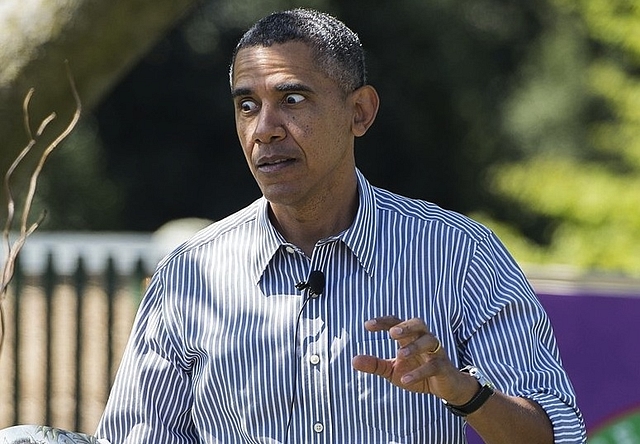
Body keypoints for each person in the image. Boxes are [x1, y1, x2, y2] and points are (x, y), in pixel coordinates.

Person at [96, 8, 586, 443]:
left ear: (360, 112)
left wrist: (463, 391)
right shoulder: (188, 276)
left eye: (292, 99)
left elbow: (555, 435)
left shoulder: (457, 253)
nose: (264, 127)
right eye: (247, 105)